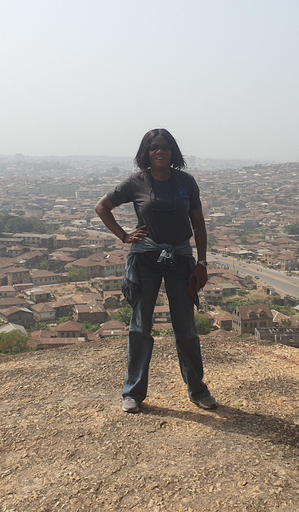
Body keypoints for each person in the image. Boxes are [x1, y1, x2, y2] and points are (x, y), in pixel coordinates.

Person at [94, 128, 216, 413]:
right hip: (145, 258)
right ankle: (133, 392)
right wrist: (124, 236)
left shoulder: (186, 182)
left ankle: (198, 390)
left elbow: (198, 224)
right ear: (145, 153)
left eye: (164, 147)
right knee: (140, 326)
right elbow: (102, 207)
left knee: (185, 327)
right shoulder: (136, 182)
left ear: (172, 151)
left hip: (181, 259)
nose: (159, 151)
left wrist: (202, 262)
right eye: (153, 148)